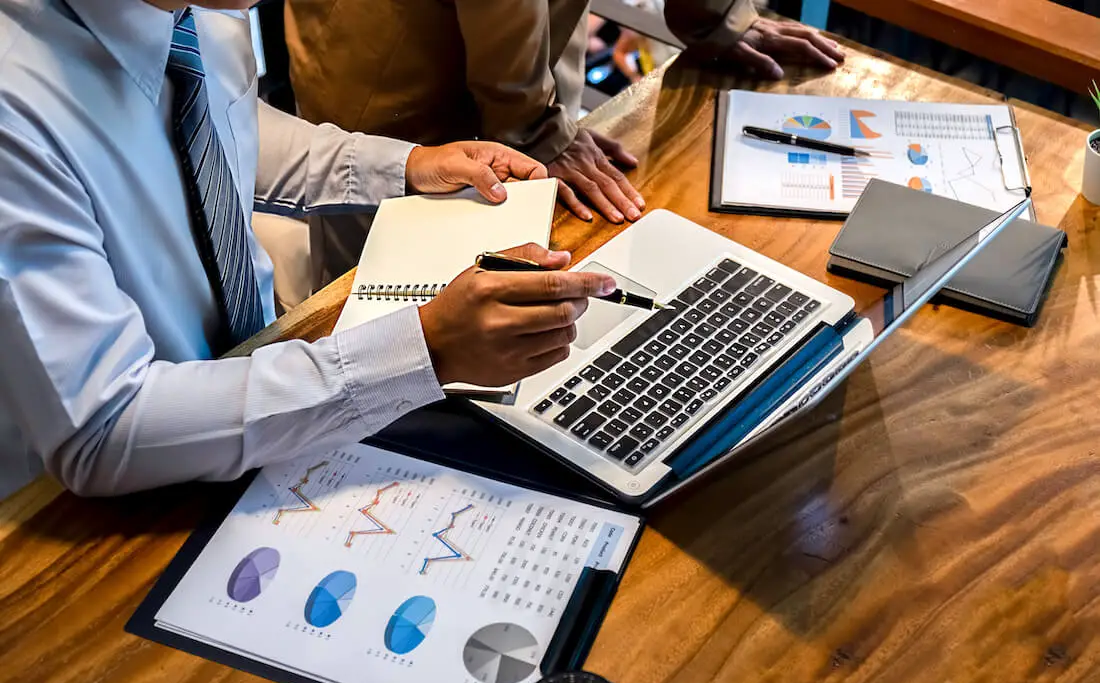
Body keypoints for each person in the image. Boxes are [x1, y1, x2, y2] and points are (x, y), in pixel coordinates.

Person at [0, 0, 616, 499]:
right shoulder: (16, 111)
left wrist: (404, 166)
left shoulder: (203, 12)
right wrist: (426, 347)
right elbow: (102, 431)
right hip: (96, 508)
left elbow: (224, 122)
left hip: (263, 392)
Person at [284, 0, 845, 267]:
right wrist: (536, 127)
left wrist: (711, 14)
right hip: (397, 75)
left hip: (528, 69)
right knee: (379, 294)